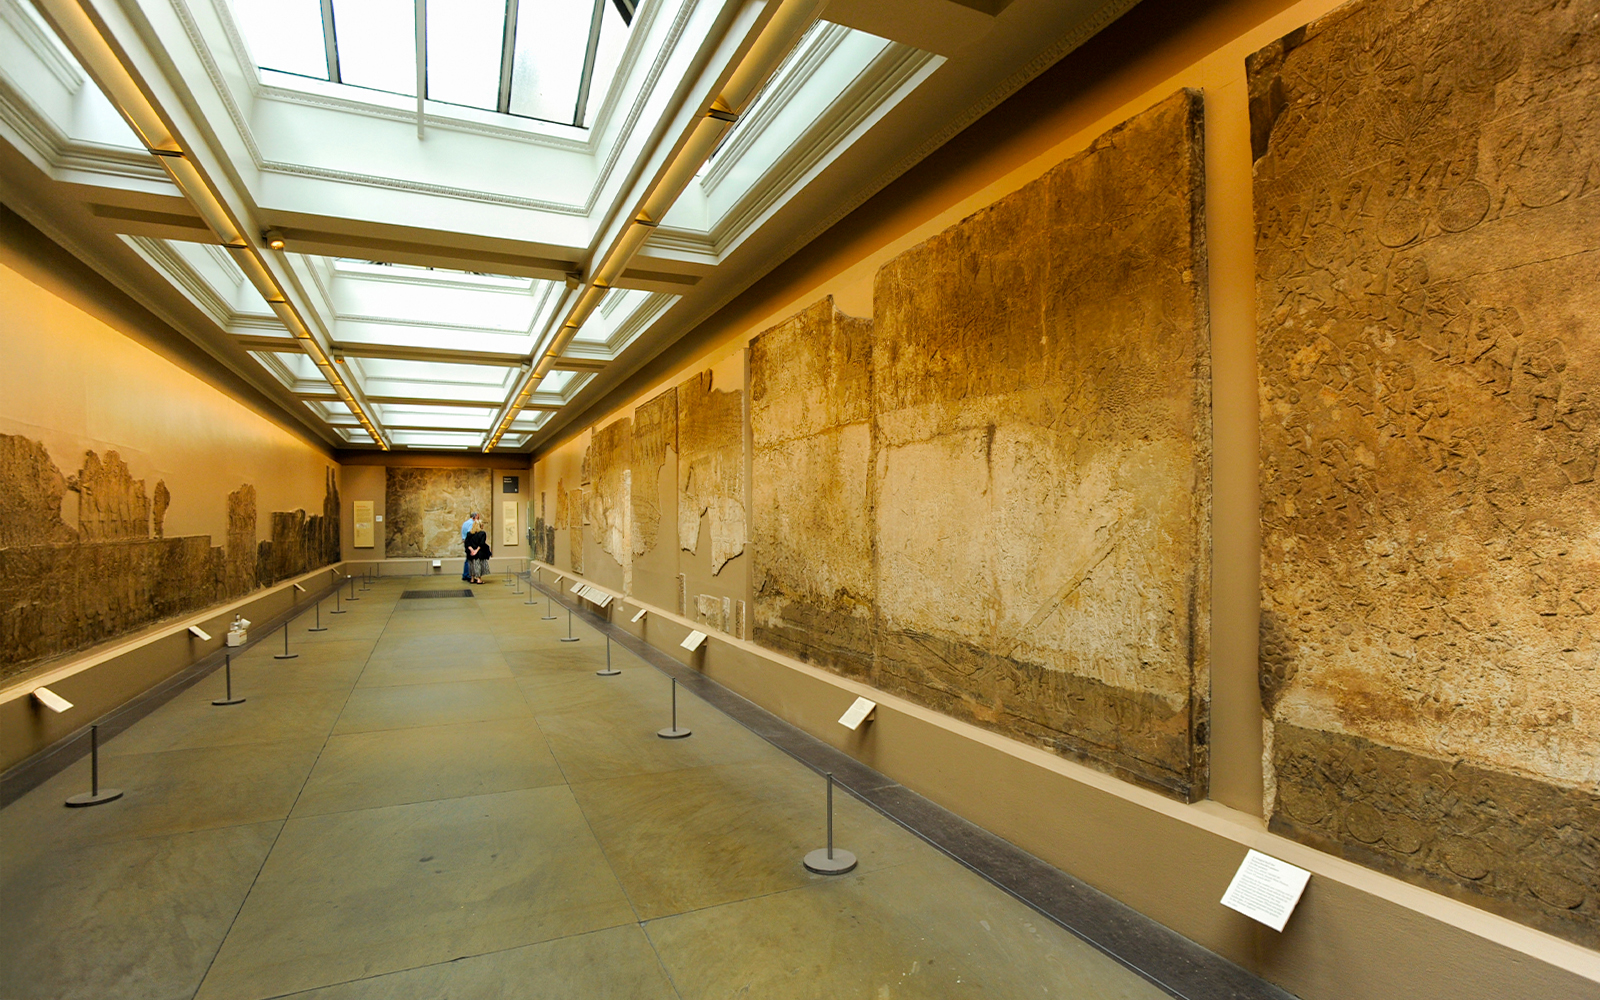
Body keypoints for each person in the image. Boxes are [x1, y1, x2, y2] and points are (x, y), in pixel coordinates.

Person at [465, 516, 492, 585]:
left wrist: (471, 550)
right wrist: (476, 551)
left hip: (470, 553)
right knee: (478, 565)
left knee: (471, 565)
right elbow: (481, 543)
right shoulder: (482, 533)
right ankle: (479, 579)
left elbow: (467, 543)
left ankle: (472, 578)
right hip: (479, 552)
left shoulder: (469, 534)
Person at [460, 511, 477, 581]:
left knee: (468, 559)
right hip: (470, 543)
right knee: (470, 560)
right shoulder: (472, 523)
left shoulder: (465, 523)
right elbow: (470, 533)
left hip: (466, 542)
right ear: (475, 517)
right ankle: (467, 575)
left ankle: (465, 574)